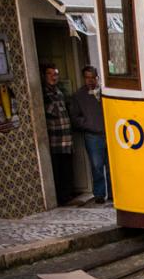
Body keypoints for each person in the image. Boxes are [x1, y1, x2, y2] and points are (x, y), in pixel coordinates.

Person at [70, 65, 112, 204]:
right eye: (87, 78)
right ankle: (99, 194)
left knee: (111, 166)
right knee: (97, 166)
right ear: (84, 79)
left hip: (109, 134)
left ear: (97, 78)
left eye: (93, 77)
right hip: (92, 136)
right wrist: (89, 124)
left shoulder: (104, 93)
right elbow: (75, 117)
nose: (90, 81)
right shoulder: (78, 96)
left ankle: (113, 193)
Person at [42, 63, 73, 205]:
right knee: (57, 171)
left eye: (55, 74)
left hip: (66, 140)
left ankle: (67, 196)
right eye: (50, 74)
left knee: (67, 170)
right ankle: (60, 198)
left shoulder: (60, 92)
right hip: (54, 141)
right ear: (44, 76)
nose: (53, 77)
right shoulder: (44, 94)